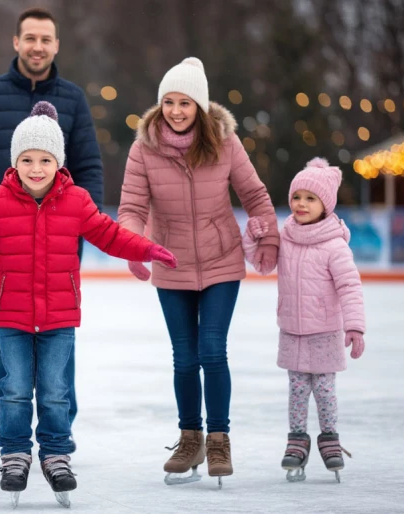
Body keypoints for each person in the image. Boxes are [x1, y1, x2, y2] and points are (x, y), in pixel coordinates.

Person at [0, 102, 176, 506]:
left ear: (58, 162)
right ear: (14, 161)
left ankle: (56, 453)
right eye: (27, 159)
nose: (35, 168)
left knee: (56, 391)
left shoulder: (76, 201)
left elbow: (110, 235)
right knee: (16, 389)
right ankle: (15, 453)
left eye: (44, 160)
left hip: (59, 317)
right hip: (12, 317)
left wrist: (148, 249)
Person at [0, 6, 103, 463]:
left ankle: (60, 430)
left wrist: (82, 222)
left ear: (57, 46)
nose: (37, 46)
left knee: (59, 337)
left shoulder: (73, 99)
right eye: (29, 37)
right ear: (16, 42)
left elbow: (89, 166)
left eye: (46, 39)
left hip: (55, 244)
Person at [117, 57, 279, 487]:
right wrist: (133, 243)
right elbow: (132, 209)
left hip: (222, 261)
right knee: (184, 358)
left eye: (184, 103)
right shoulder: (144, 147)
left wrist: (267, 238)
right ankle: (190, 438)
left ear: (200, 107)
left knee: (212, 350)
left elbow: (255, 195)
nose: (175, 110)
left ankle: (219, 438)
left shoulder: (225, 143)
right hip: (171, 265)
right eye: (168, 102)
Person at [243, 157, 366, 483]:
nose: (300, 204)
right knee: (297, 390)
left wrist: (354, 325)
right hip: (293, 330)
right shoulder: (286, 236)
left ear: (325, 205)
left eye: (310, 198)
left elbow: (350, 285)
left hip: (324, 331)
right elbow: (262, 263)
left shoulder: (334, 245)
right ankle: (297, 442)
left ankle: (330, 440)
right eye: (297, 196)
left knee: (324, 390)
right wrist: (253, 238)